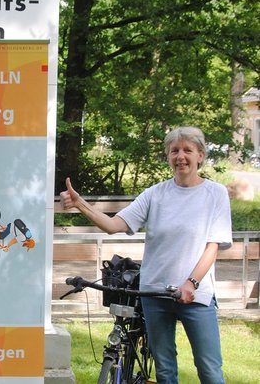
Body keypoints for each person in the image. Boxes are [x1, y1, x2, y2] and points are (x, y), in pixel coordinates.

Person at [60, 126, 232, 384]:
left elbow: (213, 246)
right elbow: (113, 225)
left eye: (187, 150)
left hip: (196, 294)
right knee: (164, 370)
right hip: (155, 294)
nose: (180, 156)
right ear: (168, 156)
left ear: (201, 155)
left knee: (209, 369)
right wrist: (80, 204)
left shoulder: (215, 193)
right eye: (174, 151)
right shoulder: (155, 194)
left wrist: (191, 283)